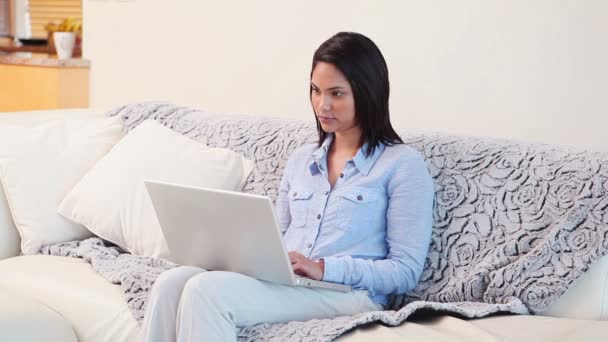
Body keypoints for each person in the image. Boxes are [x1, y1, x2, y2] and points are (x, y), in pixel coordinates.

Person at [141, 31, 434, 342]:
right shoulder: (301, 160)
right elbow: (276, 237)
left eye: (336, 93)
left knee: (207, 291)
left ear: (367, 93)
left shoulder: (402, 165)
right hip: (290, 282)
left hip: (350, 293)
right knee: (171, 283)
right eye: (315, 90)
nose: (323, 105)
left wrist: (324, 268)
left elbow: (404, 272)